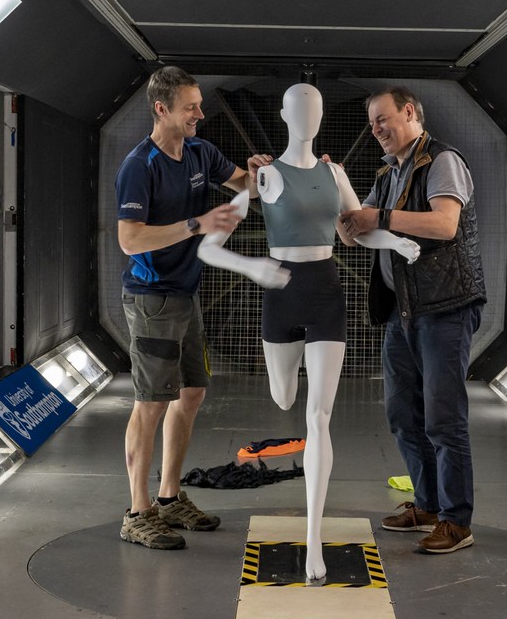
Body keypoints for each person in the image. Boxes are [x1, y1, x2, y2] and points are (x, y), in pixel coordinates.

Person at [202, 83, 418, 581]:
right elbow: (209, 248)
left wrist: (397, 242)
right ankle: (285, 377)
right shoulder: (264, 176)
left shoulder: (334, 172)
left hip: (326, 292)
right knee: (283, 398)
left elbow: (358, 227)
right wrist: (255, 269)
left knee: (318, 417)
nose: (308, 117)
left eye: (316, 109)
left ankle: (314, 538)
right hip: (280, 293)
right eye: (299, 109)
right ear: (282, 115)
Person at [113, 66, 273, 550]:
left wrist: (260, 173)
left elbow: (246, 185)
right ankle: (137, 512)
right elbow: (129, 239)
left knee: (191, 394)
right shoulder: (139, 166)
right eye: (191, 108)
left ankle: (169, 497)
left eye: (200, 104)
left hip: (186, 296)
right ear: (161, 109)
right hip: (152, 298)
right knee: (152, 402)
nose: (201, 114)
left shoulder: (201, 151)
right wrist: (195, 224)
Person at [338, 86, 486, 555]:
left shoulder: (442, 161)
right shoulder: (389, 173)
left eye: (382, 119)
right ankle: (425, 504)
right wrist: (343, 209)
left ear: (409, 112)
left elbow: (444, 225)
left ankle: (456, 521)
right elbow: (359, 230)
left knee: (444, 418)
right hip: (403, 313)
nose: (377, 130)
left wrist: (377, 216)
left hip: (444, 309)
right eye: (372, 124)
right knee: (404, 414)